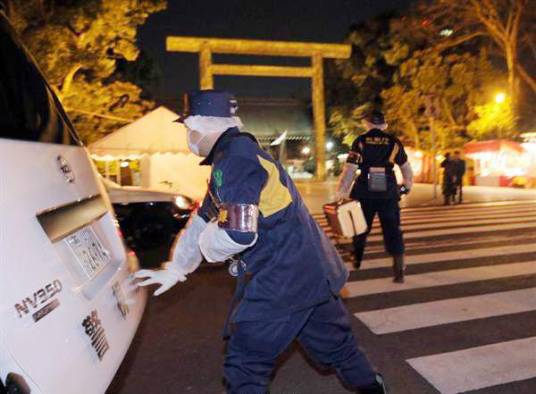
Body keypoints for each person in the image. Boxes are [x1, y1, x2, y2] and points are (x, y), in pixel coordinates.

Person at [134, 90, 388, 394]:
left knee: (246, 362)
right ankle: (374, 388)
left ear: (206, 126)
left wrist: (206, 247)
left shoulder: (235, 159)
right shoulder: (236, 155)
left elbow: (238, 233)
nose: (188, 137)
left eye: (189, 129)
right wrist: (177, 267)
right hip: (311, 271)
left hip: (284, 277)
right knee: (338, 346)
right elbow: (203, 216)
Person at [335, 110, 413, 283]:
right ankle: (399, 268)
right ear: (383, 124)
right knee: (393, 229)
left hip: (364, 192)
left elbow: (350, 169)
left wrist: (341, 191)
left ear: (367, 124)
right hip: (388, 192)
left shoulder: (360, 141)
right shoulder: (394, 142)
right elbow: (405, 167)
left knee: (361, 227)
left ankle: (357, 258)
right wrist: (407, 186)